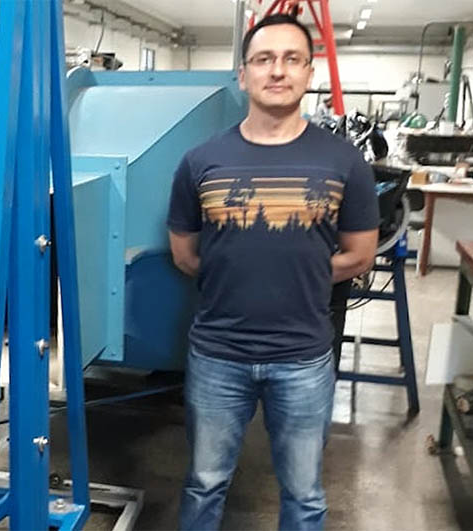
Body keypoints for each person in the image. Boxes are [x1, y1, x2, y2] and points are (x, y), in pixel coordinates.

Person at [167, 14, 379, 531]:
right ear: (243, 75)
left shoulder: (344, 161)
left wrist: (296, 275)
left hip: (304, 359)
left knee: (304, 494)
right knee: (204, 483)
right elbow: (185, 254)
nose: (277, 70)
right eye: (264, 59)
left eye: (291, 59)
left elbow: (360, 255)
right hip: (218, 356)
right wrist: (239, 275)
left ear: (309, 73)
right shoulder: (200, 161)